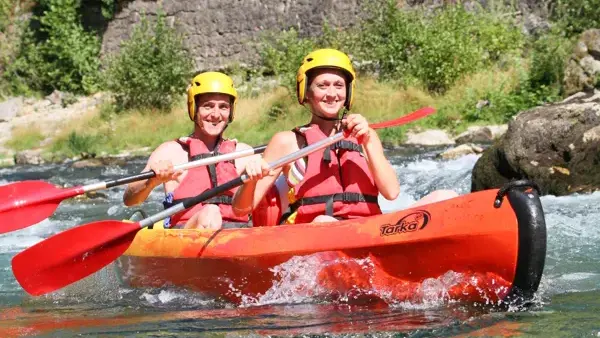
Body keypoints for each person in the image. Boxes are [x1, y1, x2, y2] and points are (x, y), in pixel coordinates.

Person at [232, 48, 458, 225]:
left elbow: (391, 193)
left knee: (444, 197)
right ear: (306, 93)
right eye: (322, 85)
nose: (332, 94)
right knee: (324, 222)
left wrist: (367, 140)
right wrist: (250, 180)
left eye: (339, 85)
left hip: (369, 230)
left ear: (348, 92)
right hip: (316, 232)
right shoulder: (288, 142)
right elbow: (241, 210)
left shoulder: (364, 135)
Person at [123, 71, 259, 229]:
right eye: (208, 106)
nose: (216, 114)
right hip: (187, 233)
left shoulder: (244, 153)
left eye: (223, 107)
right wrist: (152, 181)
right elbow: (129, 200)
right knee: (210, 213)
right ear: (194, 108)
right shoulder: (171, 152)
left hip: (237, 236)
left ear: (231, 111)